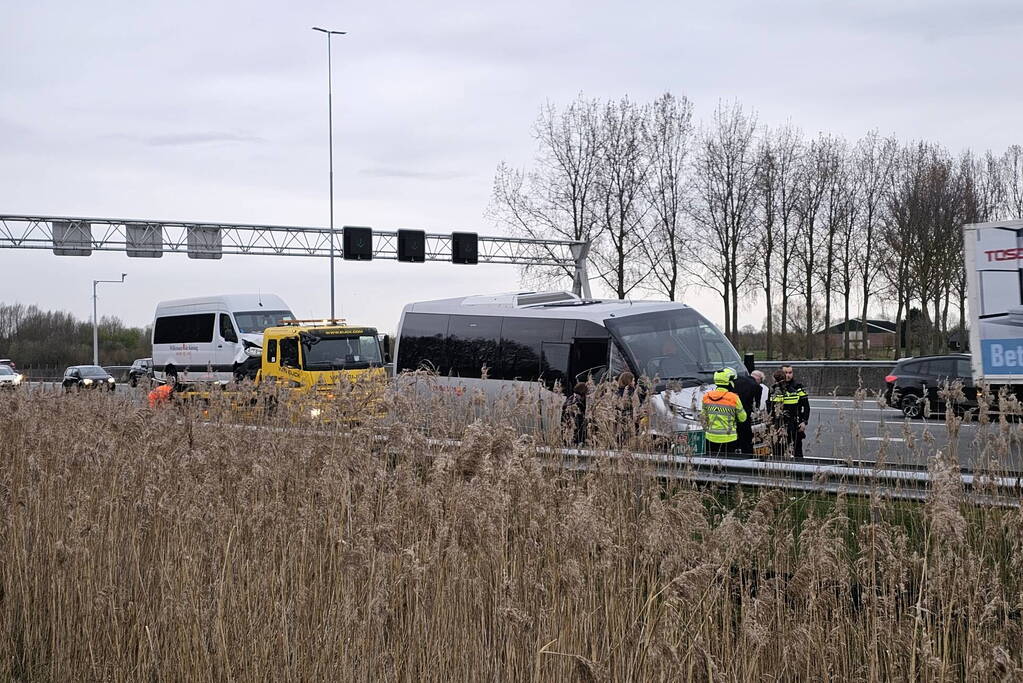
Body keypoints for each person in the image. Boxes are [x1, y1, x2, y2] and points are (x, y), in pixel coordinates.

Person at [701, 368, 747, 455]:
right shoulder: (733, 397)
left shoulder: (706, 396)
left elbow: (703, 418)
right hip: (729, 439)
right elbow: (742, 418)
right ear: (729, 382)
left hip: (710, 437)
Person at [770, 365, 811, 459]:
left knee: (797, 450)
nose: (788, 375)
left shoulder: (798, 387)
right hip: (779, 425)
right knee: (778, 450)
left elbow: (806, 406)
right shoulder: (774, 389)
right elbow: (771, 408)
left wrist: (804, 422)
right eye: (785, 373)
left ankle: (799, 470)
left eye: (790, 372)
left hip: (795, 423)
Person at [731, 370, 760, 455]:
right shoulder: (756, 386)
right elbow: (756, 404)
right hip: (745, 413)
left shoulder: (737, 381)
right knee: (746, 440)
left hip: (731, 416)